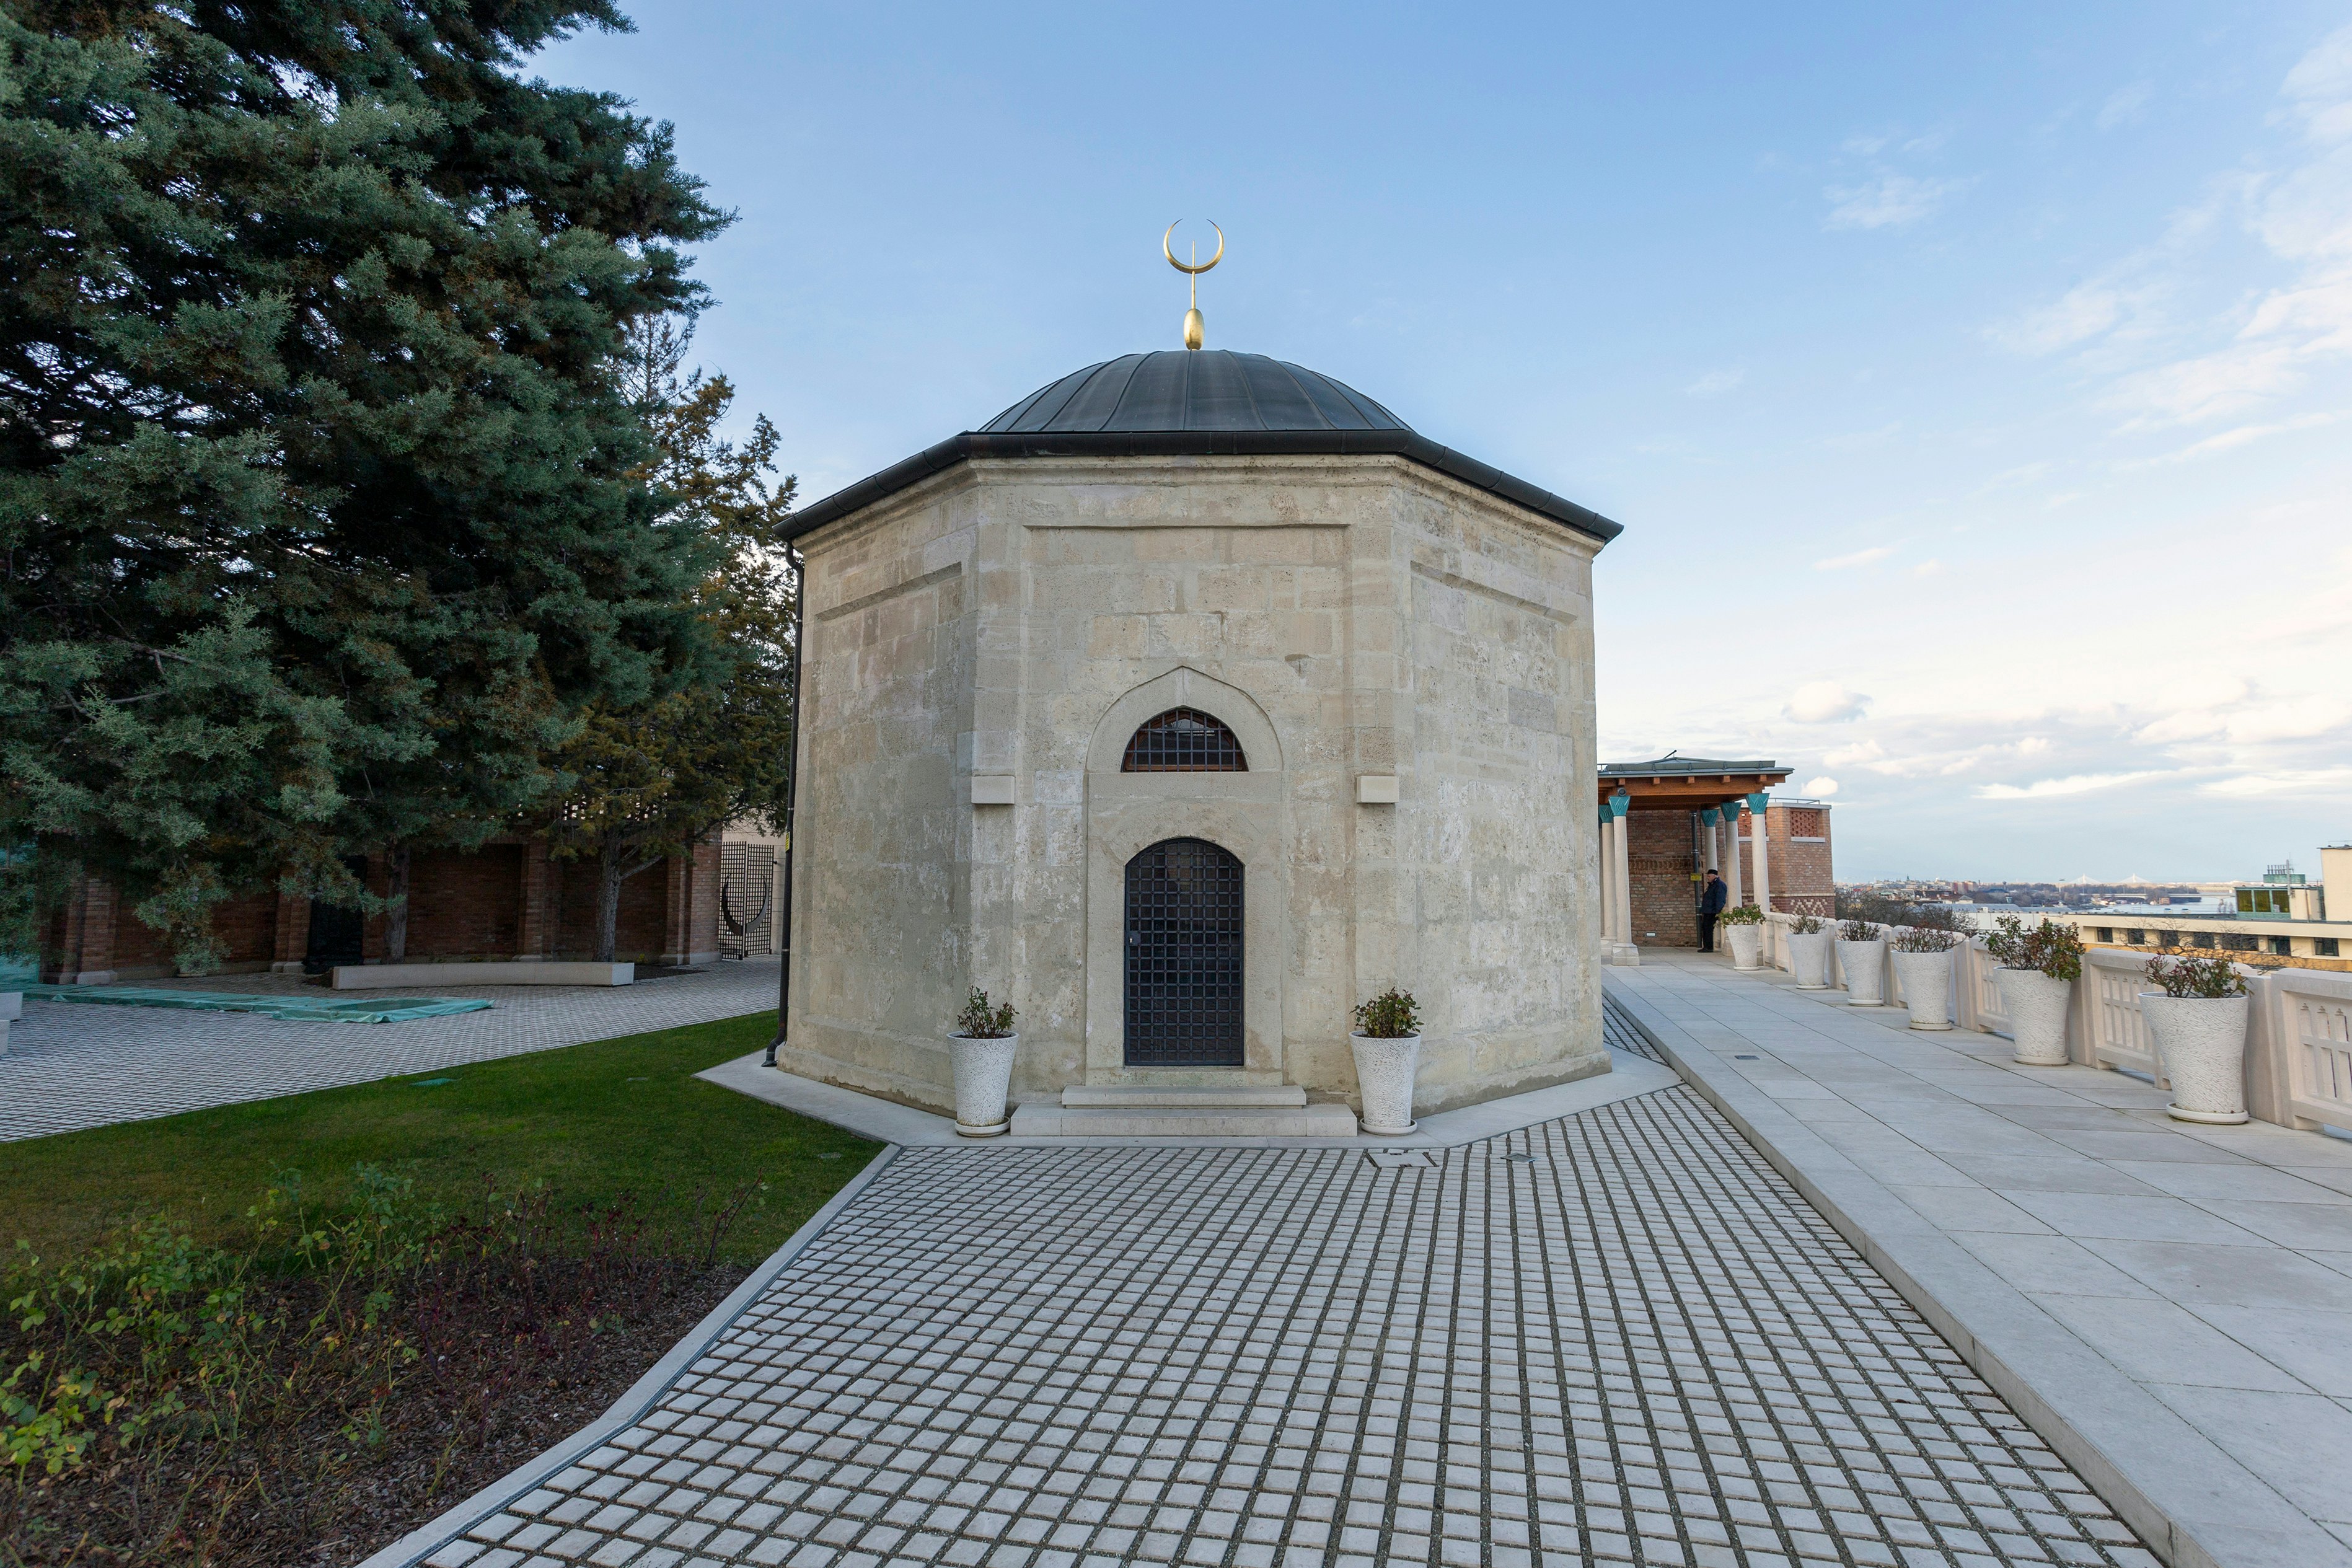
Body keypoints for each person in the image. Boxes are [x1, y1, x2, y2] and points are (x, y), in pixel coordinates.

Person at [1698, 868, 1727, 953]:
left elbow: (1720, 899)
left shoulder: (1719, 885)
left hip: (1712, 911)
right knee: (1706, 929)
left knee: (1708, 929)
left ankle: (1709, 947)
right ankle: (1707, 946)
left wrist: (1718, 911)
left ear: (1714, 876)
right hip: (1708, 911)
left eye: (1709, 876)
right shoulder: (1712, 885)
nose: (1708, 878)